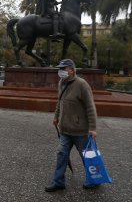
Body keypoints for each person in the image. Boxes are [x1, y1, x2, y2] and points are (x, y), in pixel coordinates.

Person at [45, 59, 98, 192]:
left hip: (80, 130)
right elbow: (60, 101)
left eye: (64, 68)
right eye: (60, 68)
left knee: (87, 156)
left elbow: (90, 107)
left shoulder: (82, 84)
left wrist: (92, 128)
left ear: (72, 70)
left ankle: (94, 179)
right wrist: (56, 116)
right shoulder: (61, 83)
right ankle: (58, 182)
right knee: (61, 154)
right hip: (65, 129)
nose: (61, 71)